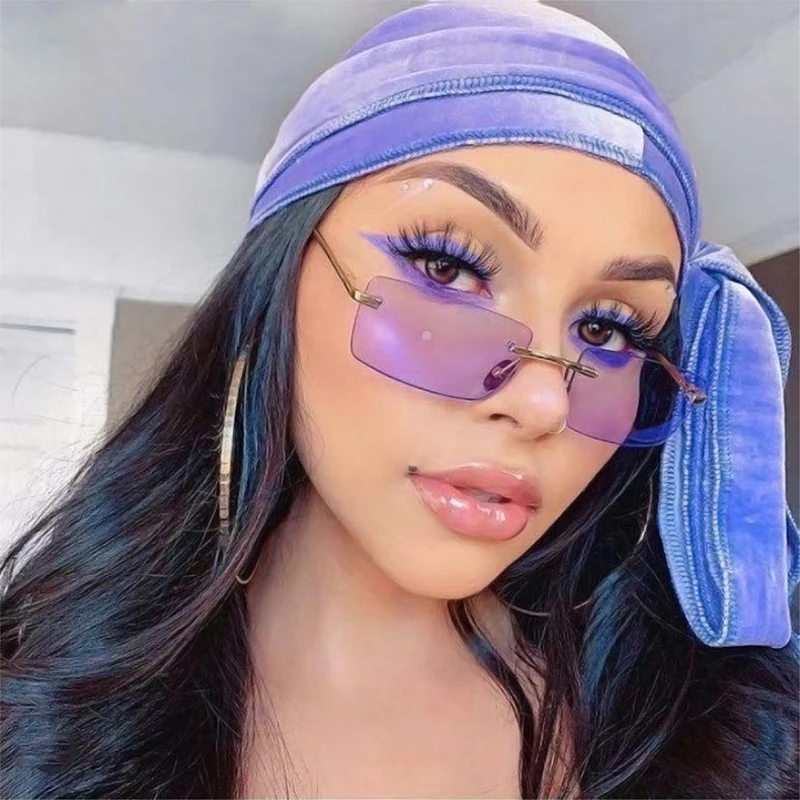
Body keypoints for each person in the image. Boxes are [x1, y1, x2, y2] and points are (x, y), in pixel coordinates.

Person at [2, 2, 798, 798]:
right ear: (276, 290)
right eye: (448, 268)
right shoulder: (40, 694)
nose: (543, 403)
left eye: (608, 329)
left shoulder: (716, 737)